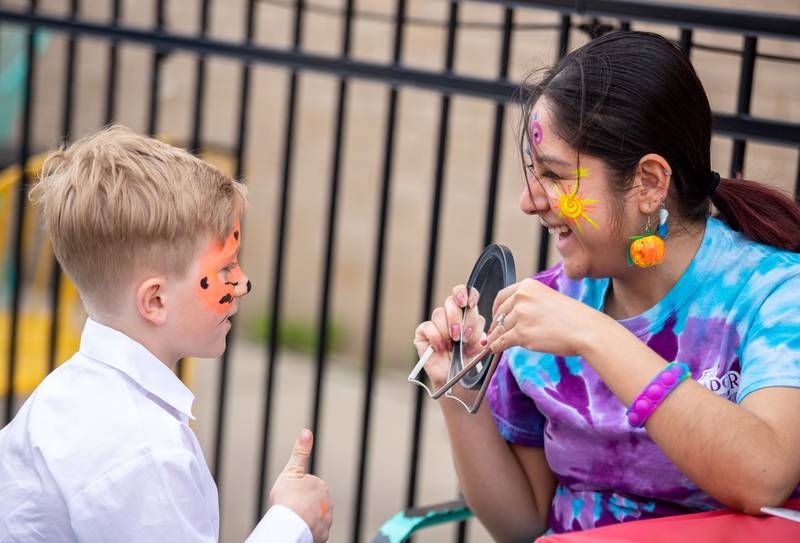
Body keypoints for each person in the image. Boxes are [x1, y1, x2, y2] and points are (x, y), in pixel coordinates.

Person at [413, 31, 800, 541]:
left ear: (648, 183)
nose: (529, 201)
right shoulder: (546, 311)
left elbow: (763, 475)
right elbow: (523, 523)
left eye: (554, 175)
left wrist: (594, 335)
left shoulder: (773, 294)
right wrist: (459, 389)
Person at [0, 125, 333, 542]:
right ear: (155, 301)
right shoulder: (143, 453)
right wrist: (292, 522)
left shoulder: (64, 398)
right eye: (225, 269)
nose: (243, 283)